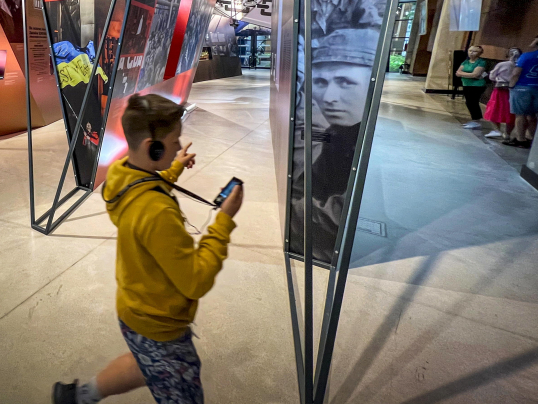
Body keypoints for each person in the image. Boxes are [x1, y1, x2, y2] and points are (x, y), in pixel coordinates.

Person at [52, 94, 243, 404]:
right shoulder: (157, 212)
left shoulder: (120, 176)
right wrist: (223, 222)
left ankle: (78, 397)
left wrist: (173, 170)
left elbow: (143, 185)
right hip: (160, 324)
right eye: (174, 142)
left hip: (133, 308)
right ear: (150, 148)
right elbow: (195, 280)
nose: (179, 147)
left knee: (145, 365)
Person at [290, 29, 375, 263]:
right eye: (320, 82)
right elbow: (309, 183)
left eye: (345, 82)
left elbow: (338, 216)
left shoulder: (367, 141)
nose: (328, 97)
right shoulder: (338, 132)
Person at [506, 35, 538, 147]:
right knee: (532, 115)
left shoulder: (527, 56)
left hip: (522, 87)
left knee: (520, 115)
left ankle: (520, 139)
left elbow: (516, 73)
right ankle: (534, 140)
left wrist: (511, 86)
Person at [484, 47, 520, 139]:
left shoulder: (502, 64)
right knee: (510, 111)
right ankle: (507, 133)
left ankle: (497, 130)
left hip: (500, 89)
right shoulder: (520, 65)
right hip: (514, 90)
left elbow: (492, 76)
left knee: (494, 109)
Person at [455, 45, 487, 129]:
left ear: (479, 53)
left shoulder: (481, 62)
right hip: (466, 84)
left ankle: (477, 120)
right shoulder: (466, 62)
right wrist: (469, 75)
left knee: (473, 102)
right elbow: (458, 72)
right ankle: (475, 119)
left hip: (477, 85)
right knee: (468, 102)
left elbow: (476, 74)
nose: (471, 53)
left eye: (474, 51)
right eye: (470, 51)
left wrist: (463, 74)